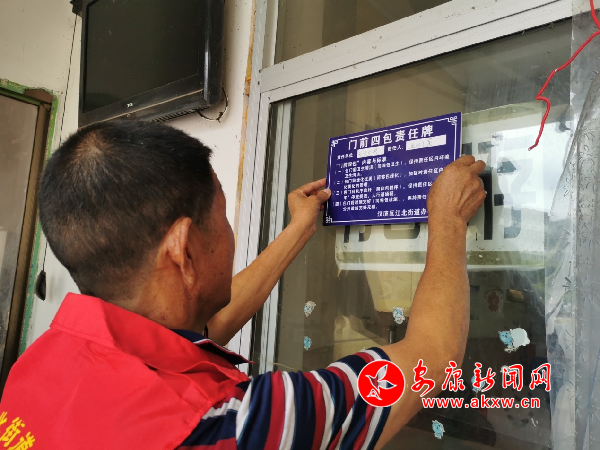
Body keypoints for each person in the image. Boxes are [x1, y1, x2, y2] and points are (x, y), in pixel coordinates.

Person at [0, 120, 485, 449]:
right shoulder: (225, 425)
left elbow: (201, 330)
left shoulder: (35, 370)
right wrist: (447, 220)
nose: (230, 233)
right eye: (222, 217)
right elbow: (431, 357)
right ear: (184, 251)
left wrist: (298, 230)